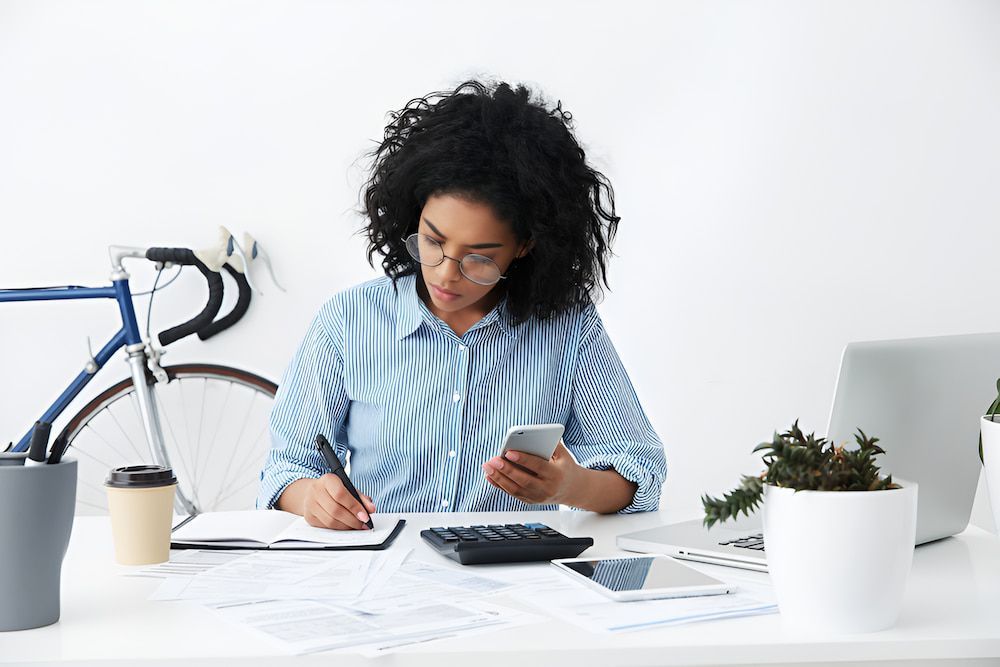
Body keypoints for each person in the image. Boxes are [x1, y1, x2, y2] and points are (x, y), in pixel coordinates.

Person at [257, 79, 666, 530]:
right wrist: (312, 497)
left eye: (480, 259)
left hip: (514, 579)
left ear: (526, 246)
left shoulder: (567, 328)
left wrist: (568, 487)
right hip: (384, 575)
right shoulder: (350, 320)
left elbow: (640, 472)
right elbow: (284, 470)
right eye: (432, 241)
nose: (446, 273)